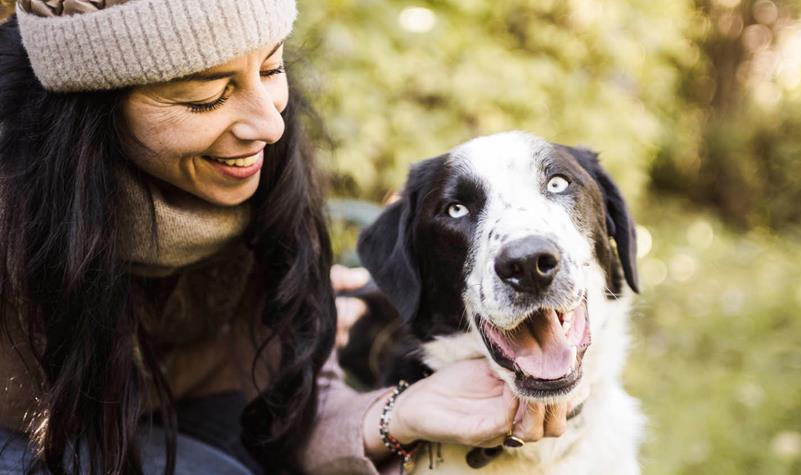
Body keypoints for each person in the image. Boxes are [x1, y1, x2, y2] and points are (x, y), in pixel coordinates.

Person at [0, 1, 569, 474]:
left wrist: (401, 413)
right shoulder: (14, 210)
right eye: (206, 96)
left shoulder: (263, 178)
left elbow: (296, 404)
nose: (269, 124)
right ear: (89, 115)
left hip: (181, 423)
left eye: (270, 70)